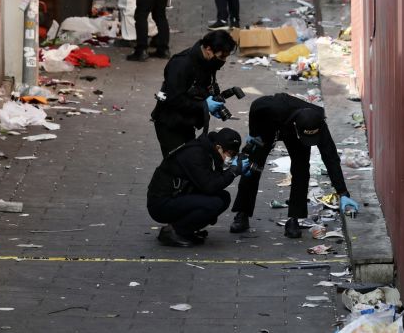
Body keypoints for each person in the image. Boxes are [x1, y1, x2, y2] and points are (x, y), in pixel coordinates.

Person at [229, 93, 360, 238]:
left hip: (297, 136)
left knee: (301, 170)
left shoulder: (318, 122)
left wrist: (342, 193)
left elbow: (331, 158)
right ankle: (242, 213)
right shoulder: (271, 107)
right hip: (270, 125)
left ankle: (294, 219)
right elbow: (255, 107)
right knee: (253, 165)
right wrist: (253, 133)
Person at [147, 128, 249, 247]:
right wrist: (232, 172)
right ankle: (174, 231)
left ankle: (186, 231)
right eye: (230, 154)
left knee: (223, 197)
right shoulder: (196, 154)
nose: (230, 158)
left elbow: (212, 180)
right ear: (219, 148)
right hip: (161, 203)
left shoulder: (207, 151)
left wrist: (233, 169)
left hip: (177, 195)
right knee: (213, 204)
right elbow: (209, 187)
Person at [150, 30, 238, 158]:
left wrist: (213, 101)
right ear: (208, 49)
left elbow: (206, 85)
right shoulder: (181, 64)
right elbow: (174, 99)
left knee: (189, 163)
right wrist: (204, 105)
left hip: (187, 122)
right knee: (179, 165)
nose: (223, 61)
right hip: (170, 124)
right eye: (221, 56)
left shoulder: (207, 62)